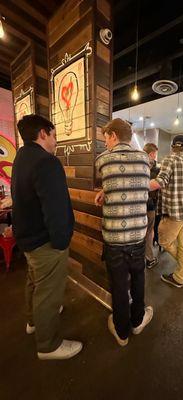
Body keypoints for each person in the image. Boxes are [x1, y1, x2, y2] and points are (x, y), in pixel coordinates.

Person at [11, 114, 82, 360]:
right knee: (48, 292)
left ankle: (33, 322)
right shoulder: (47, 162)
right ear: (43, 133)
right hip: (45, 241)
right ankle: (48, 345)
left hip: (27, 237)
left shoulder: (22, 157)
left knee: (34, 282)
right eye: (54, 135)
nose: (55, 141)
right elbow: (56, 208)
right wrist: (61, 242)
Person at [95, 118, 153, 347]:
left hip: (113, 238)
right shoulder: (145, 160)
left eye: (105, 138)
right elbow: (132, 185)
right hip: (138, 235)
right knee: (139, 279)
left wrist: (103, 191)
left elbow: (113, 181)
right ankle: (138, 321)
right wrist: (106, 190)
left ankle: (122, 332)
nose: (105, 143)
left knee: (118, 286)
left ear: (113, 135)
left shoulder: (102, 160)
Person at [150, 135, 183, 288]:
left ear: (172, 146)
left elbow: (161, 181)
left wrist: (138, 184)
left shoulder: (169, 160)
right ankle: (181, 274)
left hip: (175, 213)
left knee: (163, 240)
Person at [143, 142, 160, 269]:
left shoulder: (136, 165)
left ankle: (139, 258)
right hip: (149, 205)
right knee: (149, 232)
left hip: (136, 204)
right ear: (151, 154)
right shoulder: (155, 170)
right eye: (155, 154)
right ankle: (149, 258)